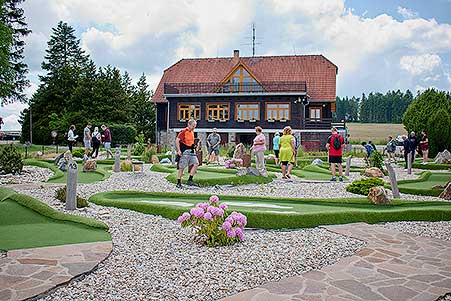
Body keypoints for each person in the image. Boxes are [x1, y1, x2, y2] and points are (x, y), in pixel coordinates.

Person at [176, 119, 199, 188]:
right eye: (193, 126)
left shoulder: (192, 131)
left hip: (192, 151)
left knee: (196, 163)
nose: (194, 127)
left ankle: (190, 180)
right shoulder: (183, 132)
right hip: (185, 151)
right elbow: (177, 140)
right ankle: (178, 182)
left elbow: (191, 142)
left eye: (195, 126)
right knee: (182, 167)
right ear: (188, 125)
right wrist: (179, 150)